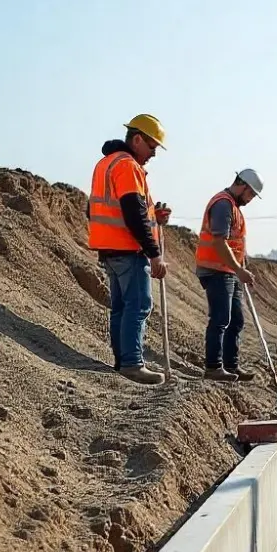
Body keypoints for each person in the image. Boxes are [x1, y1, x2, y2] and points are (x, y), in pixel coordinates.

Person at [87, 114, 171, 385]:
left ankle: (122, 360)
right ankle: (132, 363)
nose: (154, 154)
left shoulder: (106, 163)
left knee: (122, 308)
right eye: (152, 147)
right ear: (137, 139)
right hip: (127, 249)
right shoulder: (127, 166)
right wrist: (154, 253)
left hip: (109, 248)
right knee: (138, 305)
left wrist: (154, 217)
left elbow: (103, 208)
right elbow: (133, 213)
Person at [194, 169, 264, 381]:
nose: (250, 200)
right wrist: (239, 269)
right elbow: (219, 241)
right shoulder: (223, 204)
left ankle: (231, 365)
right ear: (243, 187)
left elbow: (234, 241)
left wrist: (241, 264)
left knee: (236, 320)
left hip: (228, 270)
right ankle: (214, 367)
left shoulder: (234, 207)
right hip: (215, 270)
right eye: (251, 195)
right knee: (220, 318)